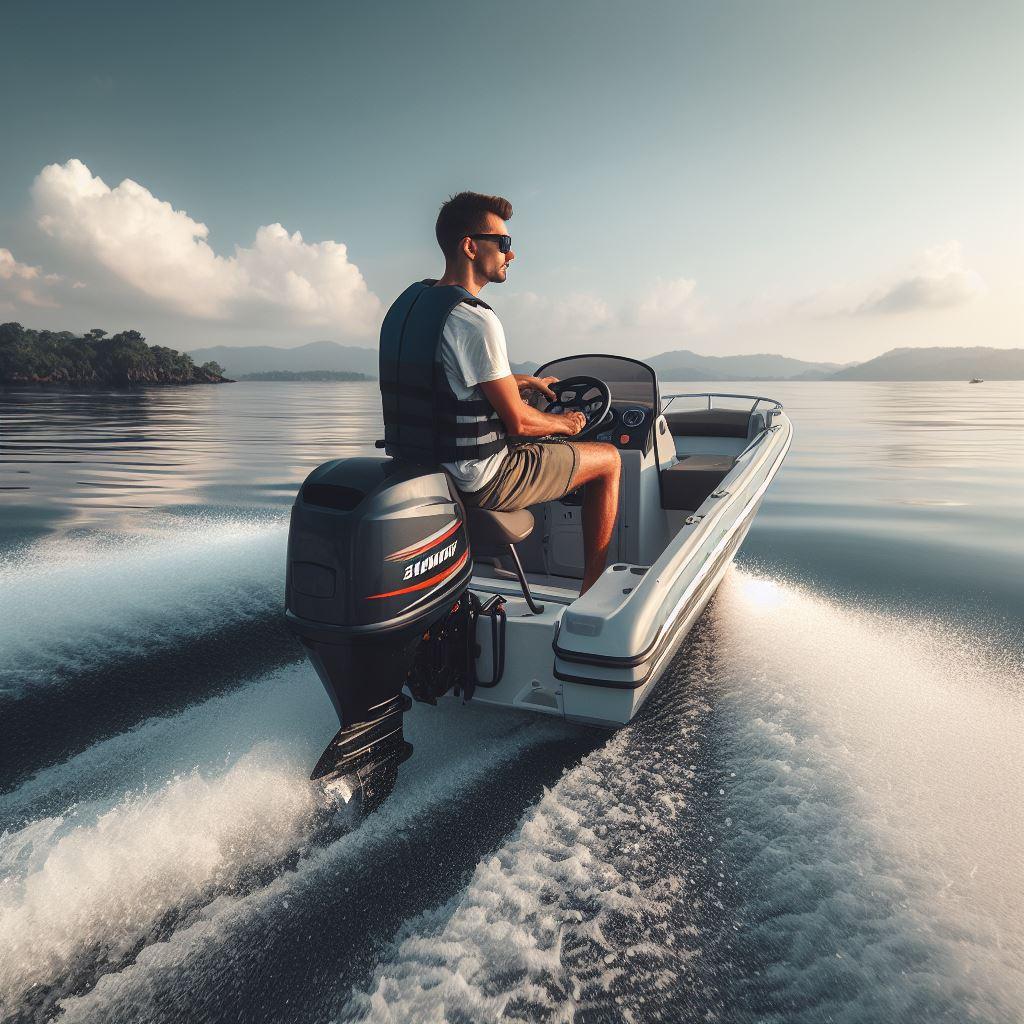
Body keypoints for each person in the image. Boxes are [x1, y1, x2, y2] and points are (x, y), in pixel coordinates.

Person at [378, 191, 620, 594]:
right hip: (480, 480)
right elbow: (521, 423)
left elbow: (448, 382)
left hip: (423, 470)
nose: (512, 254)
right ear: (470, 247)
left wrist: (522, 382)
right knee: (609, 460)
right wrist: (567, 421)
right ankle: (592, 593)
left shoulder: (411, 308)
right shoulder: (475, 320)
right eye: (503, 243)